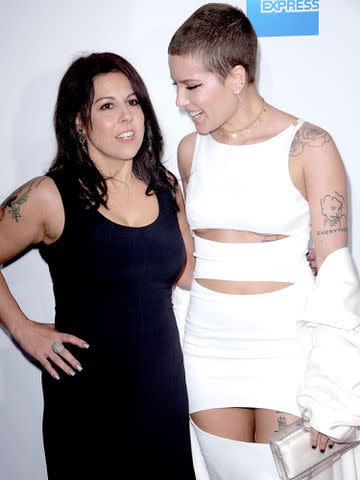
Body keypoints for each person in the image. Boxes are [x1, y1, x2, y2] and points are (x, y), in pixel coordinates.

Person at [168, 3, 360, 479]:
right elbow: (188, 263)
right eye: (176, 84)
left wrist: (334, 393)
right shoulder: (190, 150)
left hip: (286, 349)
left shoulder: (310, 145)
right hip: (207, 347)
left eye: (191, 86)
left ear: (237, 76)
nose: (179, 100)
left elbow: (337, 272)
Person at [0, 52, 197, 479]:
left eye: (132, 102)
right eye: (106, 106)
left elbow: (190, 274)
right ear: (78, 121)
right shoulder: (50, 195)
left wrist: (286, 254)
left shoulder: (167, 188)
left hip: (163, 399)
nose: (126, 117)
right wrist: (21, 328)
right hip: (88, 406)